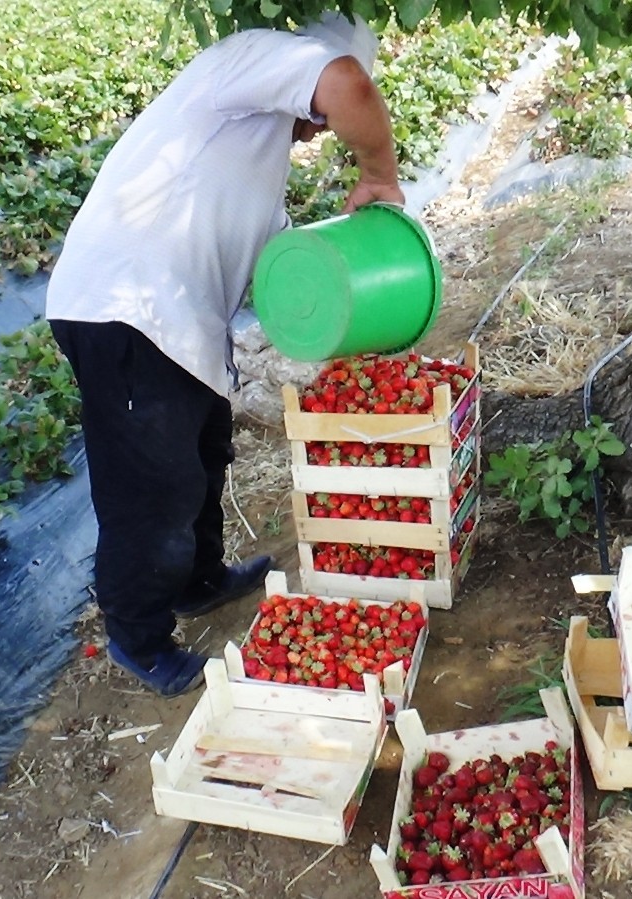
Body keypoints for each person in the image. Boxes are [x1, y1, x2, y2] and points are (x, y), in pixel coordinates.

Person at [46, 13, 405, 697]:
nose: (319, 129)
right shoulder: (249, 60)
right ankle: (137, 636)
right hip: (124, 309)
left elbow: (283, 272)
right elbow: (348, 84)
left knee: (206, 454)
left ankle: (199, 580)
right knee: (153, 492)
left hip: (178, 324)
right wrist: (380, 174)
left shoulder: (258, 153)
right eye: (321, 118)